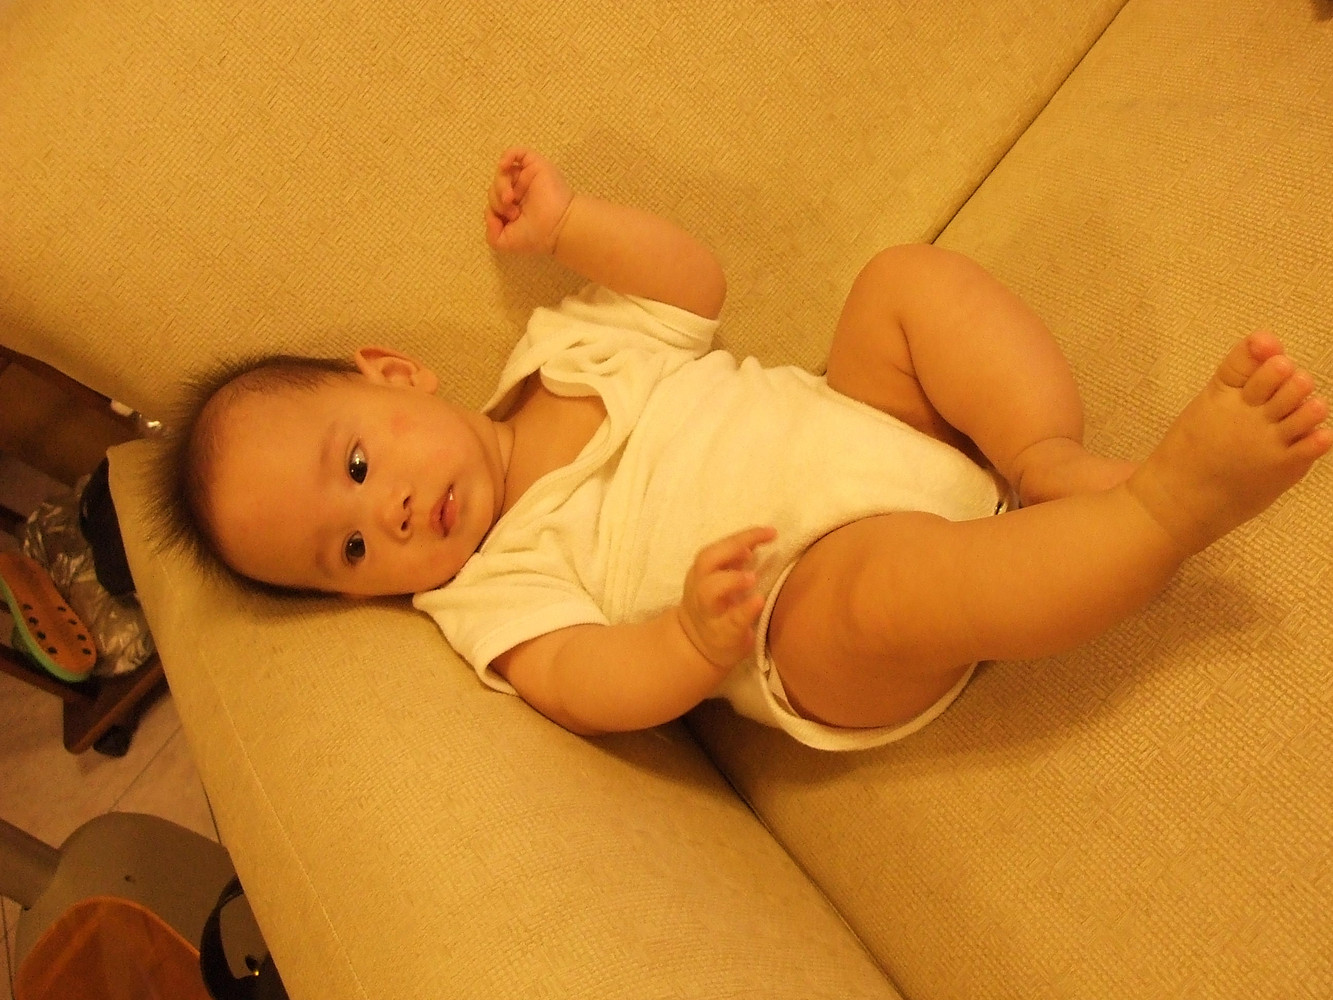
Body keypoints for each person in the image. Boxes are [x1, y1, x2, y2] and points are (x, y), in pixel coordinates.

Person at [153, 147, 1332, 750]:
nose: (391, 516)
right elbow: (581, 683)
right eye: (350, 551)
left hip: (869, 423)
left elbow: (690, 288)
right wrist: (683, 640)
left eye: (359, 468)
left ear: (393, 373)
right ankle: (1163, 512)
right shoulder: (489, 593)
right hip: (800, 612)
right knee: (878, 595)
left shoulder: (563, 348)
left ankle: (1043, 458)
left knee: (899, 285)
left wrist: (570, 226)